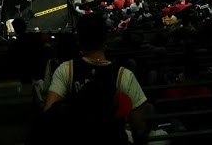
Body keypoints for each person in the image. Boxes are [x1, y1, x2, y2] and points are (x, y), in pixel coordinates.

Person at [43, 13, 150, 145]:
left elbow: (49, 115)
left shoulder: (66, 70)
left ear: (79, 39)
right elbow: (139, 128)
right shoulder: (124, 75)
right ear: (105, 38)